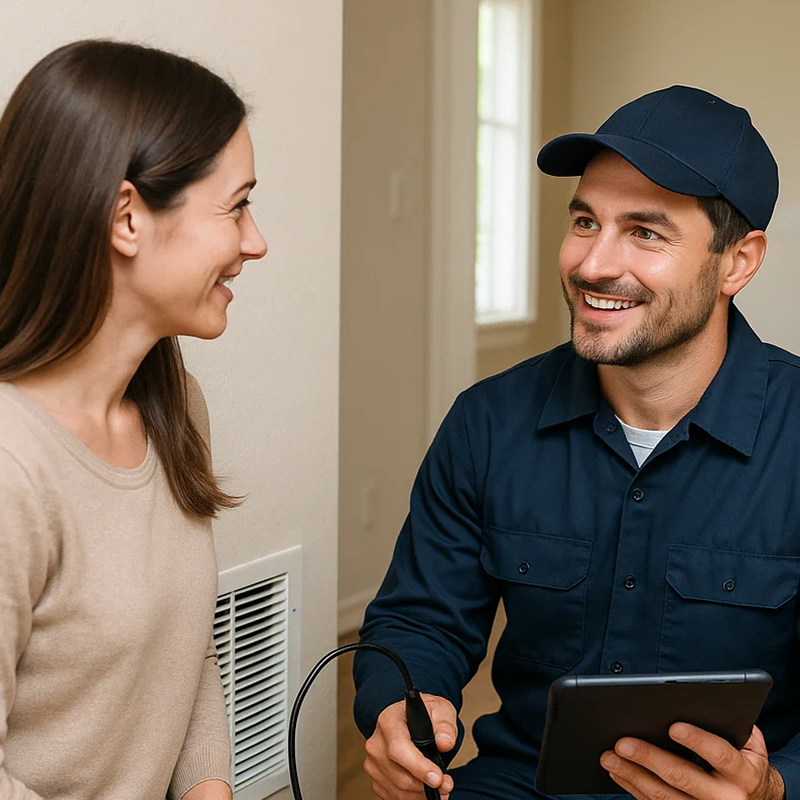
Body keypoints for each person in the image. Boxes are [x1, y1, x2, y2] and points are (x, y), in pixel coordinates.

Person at [353, 85, 800, 800]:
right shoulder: (488, 422)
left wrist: (774, 786)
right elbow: (419, 619)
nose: (593, 264)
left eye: (645, 233)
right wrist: (400, 707)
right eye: (586, 221)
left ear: (737, 262)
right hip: (517, 785)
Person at [0, 40, 267, 799]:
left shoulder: (174, 405)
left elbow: (185, 652)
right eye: (237, 204)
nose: (256, 240)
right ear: (126, 217)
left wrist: (213, 787)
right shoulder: (10, 464)